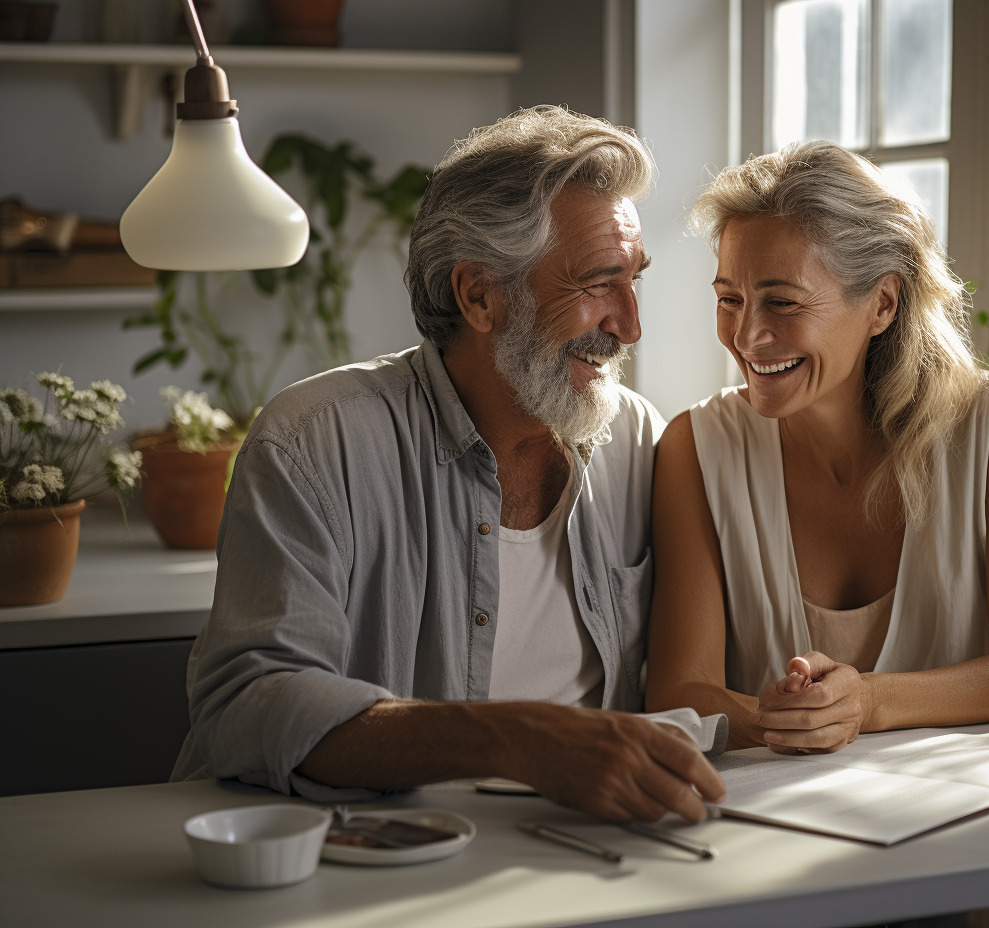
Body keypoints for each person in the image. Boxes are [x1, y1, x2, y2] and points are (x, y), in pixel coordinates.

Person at [172, 106, 726, 823]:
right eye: (596, 284)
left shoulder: (639, 443)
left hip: (572, 856)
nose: (630, 325)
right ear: (478, 295)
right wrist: (513, 738)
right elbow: (248, 704)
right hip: (350, 859)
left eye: (634, 282)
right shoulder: (313, 443)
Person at [645, 140, 989, 753]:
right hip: (766, 828)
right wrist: (805, 719)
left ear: (883, 304)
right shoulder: (696, 448)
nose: (746, 335)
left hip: (961, 818)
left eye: (782, 302)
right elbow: (679, 693)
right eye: (728, 298)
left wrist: (866, 702)